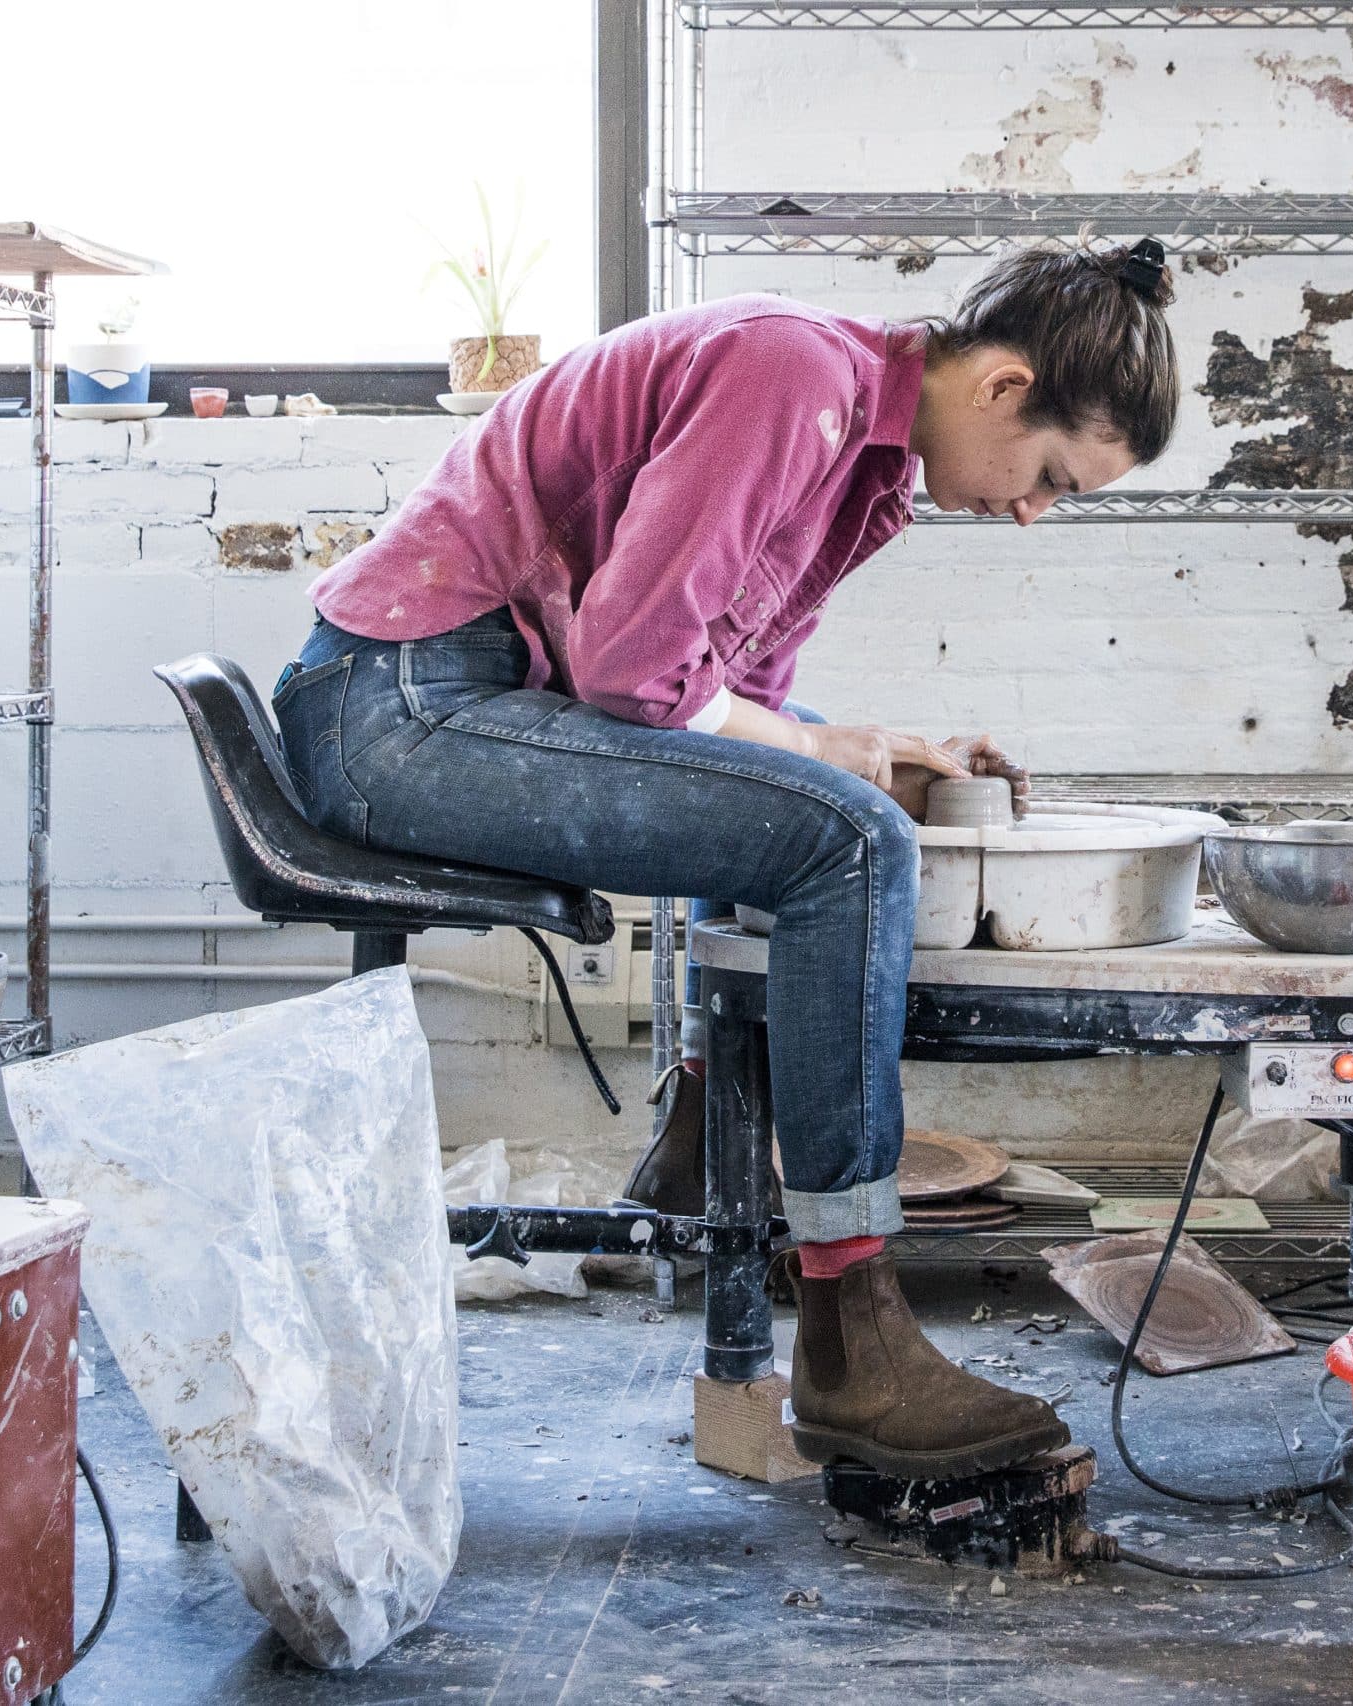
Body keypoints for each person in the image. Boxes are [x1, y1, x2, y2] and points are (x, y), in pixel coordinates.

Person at [275, 238, 1180, 1478]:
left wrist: (869, 744)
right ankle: (854, 1334)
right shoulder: (786, 371)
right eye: (1052, 480)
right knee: (853, 837)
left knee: (826, 806)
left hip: (464, 696)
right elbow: (637, 670)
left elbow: (728, 709)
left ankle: (705, 1132)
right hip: (399, 706)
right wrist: (842, 759)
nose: (1031, 512)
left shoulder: (861, 465)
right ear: (1004, 388)